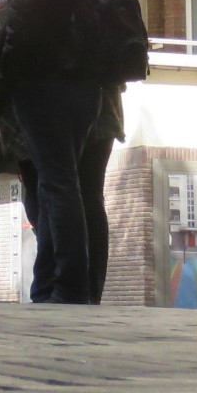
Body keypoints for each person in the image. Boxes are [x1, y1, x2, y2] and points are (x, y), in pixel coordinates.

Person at [0, 0, 107, 304]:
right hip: (90, 81)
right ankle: (63, 284)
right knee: (71, 182)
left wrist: (7, 76)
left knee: (56, 183)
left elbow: (23, 20)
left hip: (45, 79)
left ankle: (68, 285)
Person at [83, 86, 124, 304]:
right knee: (91, 195)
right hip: (106, 108)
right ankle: (91, 290)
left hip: (76, 109)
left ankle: (80, 286)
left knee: (80, 194)